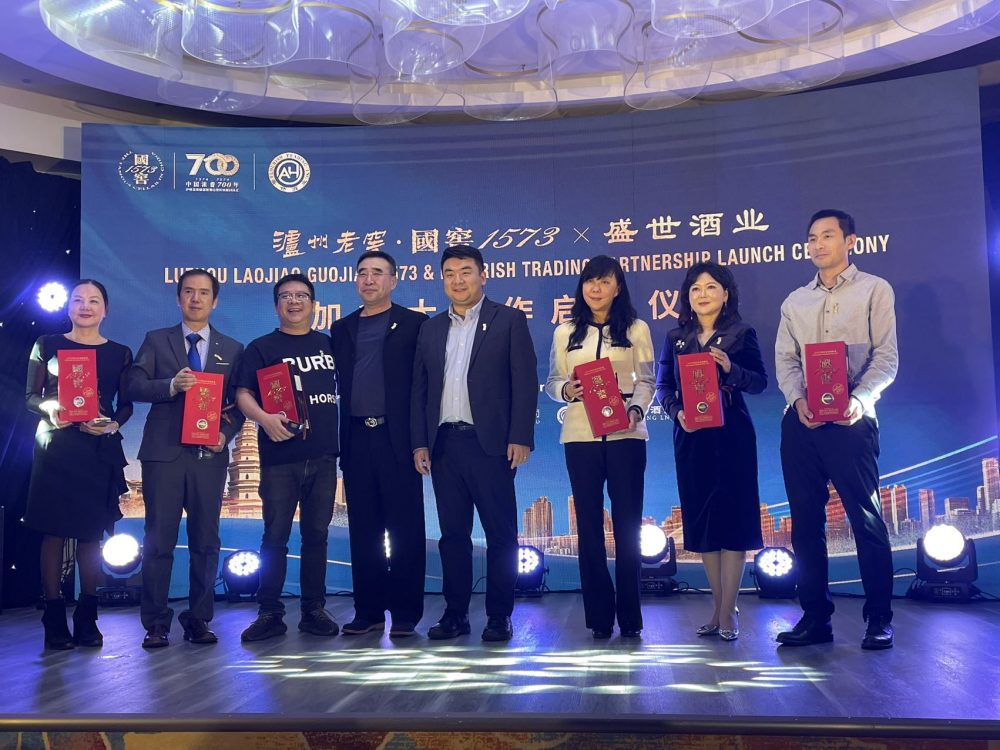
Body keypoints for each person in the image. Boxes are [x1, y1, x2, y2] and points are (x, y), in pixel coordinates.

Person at [775, 209, 898, 650]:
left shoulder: (874, 290)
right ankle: (815, 617)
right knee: (805, 524)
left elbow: (886, 358)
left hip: (851, 422)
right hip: (803, 423)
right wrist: (798, 400)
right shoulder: (795, 302)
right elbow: (786, 361)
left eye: (828, 236)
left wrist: (859, 400)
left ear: (850, 241)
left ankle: (878, 618)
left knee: (865, 519)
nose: (818, 244)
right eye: (811, 238)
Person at [411, 245, 537, 642]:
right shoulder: (430, 328)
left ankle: (499, 615)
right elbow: (420, 391)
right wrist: (420, 442)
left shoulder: (509, 320)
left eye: (466, 271)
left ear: (483, 275)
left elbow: (524, 383)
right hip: (444, 443)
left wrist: (520, 436)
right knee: (452, 536)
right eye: (449, 273)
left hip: (492, 445)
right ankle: (456, 614)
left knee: (501, 535)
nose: (458, 280)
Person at [125, 269, 245, 649]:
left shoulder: (233, 348)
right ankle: (156, 622)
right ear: (178, 299)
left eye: (204, 293)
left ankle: (199, 618)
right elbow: (132, 385)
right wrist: (170, 386)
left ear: (215, 301)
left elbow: (240, 404)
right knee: (159, 539)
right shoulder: (156, 341)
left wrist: (225, 434)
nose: (196, 298)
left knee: (206, 541)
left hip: (209, 456)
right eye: (189, 292)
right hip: (164, 453)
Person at [655, 262, 767, 641]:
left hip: (732, 434)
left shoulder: (741, 333)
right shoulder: (676, 338)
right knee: (703, 522)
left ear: (726, 294)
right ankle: (720, 607)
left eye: (710, 287)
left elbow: (759, 382)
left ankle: (727, 611)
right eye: (695, 289)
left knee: (733, 521)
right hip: (691, 436)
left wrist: (731, 368)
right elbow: (663, 386)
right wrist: (678, 412)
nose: (702, 294)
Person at [545, 255, 655, 640]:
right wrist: (566, 390)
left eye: (604, 282)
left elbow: (647, 379)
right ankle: (599, 617)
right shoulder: (565, 332)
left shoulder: (637, 329)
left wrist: (637, 409)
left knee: (628, 527)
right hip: (580, 435)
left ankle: (630, 618)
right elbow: (552, 381)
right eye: (590, 281)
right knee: (588, 529)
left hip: (626, 434)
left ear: (618, 287)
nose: (595, 288)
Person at [25, 280, 133, 650]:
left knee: (90, 534)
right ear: (68, 307)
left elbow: (125, 404)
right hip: (55, 445)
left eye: (94, 301)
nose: (85, 306)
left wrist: (113, 423)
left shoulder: (119, 352)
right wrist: (49, 407)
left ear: (106, 310)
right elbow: (29, 397)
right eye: (78, 300)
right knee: (53, 532)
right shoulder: (47, 344)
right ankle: (53, 617)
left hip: (96, 446)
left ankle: (88, 617)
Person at [237, 274, 340, 642]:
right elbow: (243, 393)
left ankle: (313, 609)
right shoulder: (261, 347)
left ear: (313, 304)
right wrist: (264, 418)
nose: (294, 302)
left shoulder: (331, 345)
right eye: (286, 296)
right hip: (280, 456)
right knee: (275, 536)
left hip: (325, 456)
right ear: (276, 304)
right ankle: (269, 612)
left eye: (301, 296)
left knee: (317, 535)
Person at [330, 251, 428, 638]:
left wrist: (421, 440)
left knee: (405, 527)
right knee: (364, 529)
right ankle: (367, 611)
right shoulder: (342, 328)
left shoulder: (415, 324)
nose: (368, 280)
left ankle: (405, 613)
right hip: (356, 438)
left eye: (377, 273)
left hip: (398, 439)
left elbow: (423, 387)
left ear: (393, 280)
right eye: (362, 273)